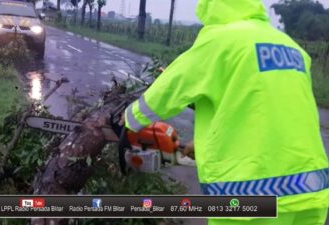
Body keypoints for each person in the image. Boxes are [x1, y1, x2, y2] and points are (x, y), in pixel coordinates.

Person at [123, 0, 329, 224]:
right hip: (312, 193)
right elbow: (258, 112)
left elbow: (168, 91)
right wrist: (200, 146)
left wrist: (128, 121)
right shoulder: (291, 47)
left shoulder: (220, 41)